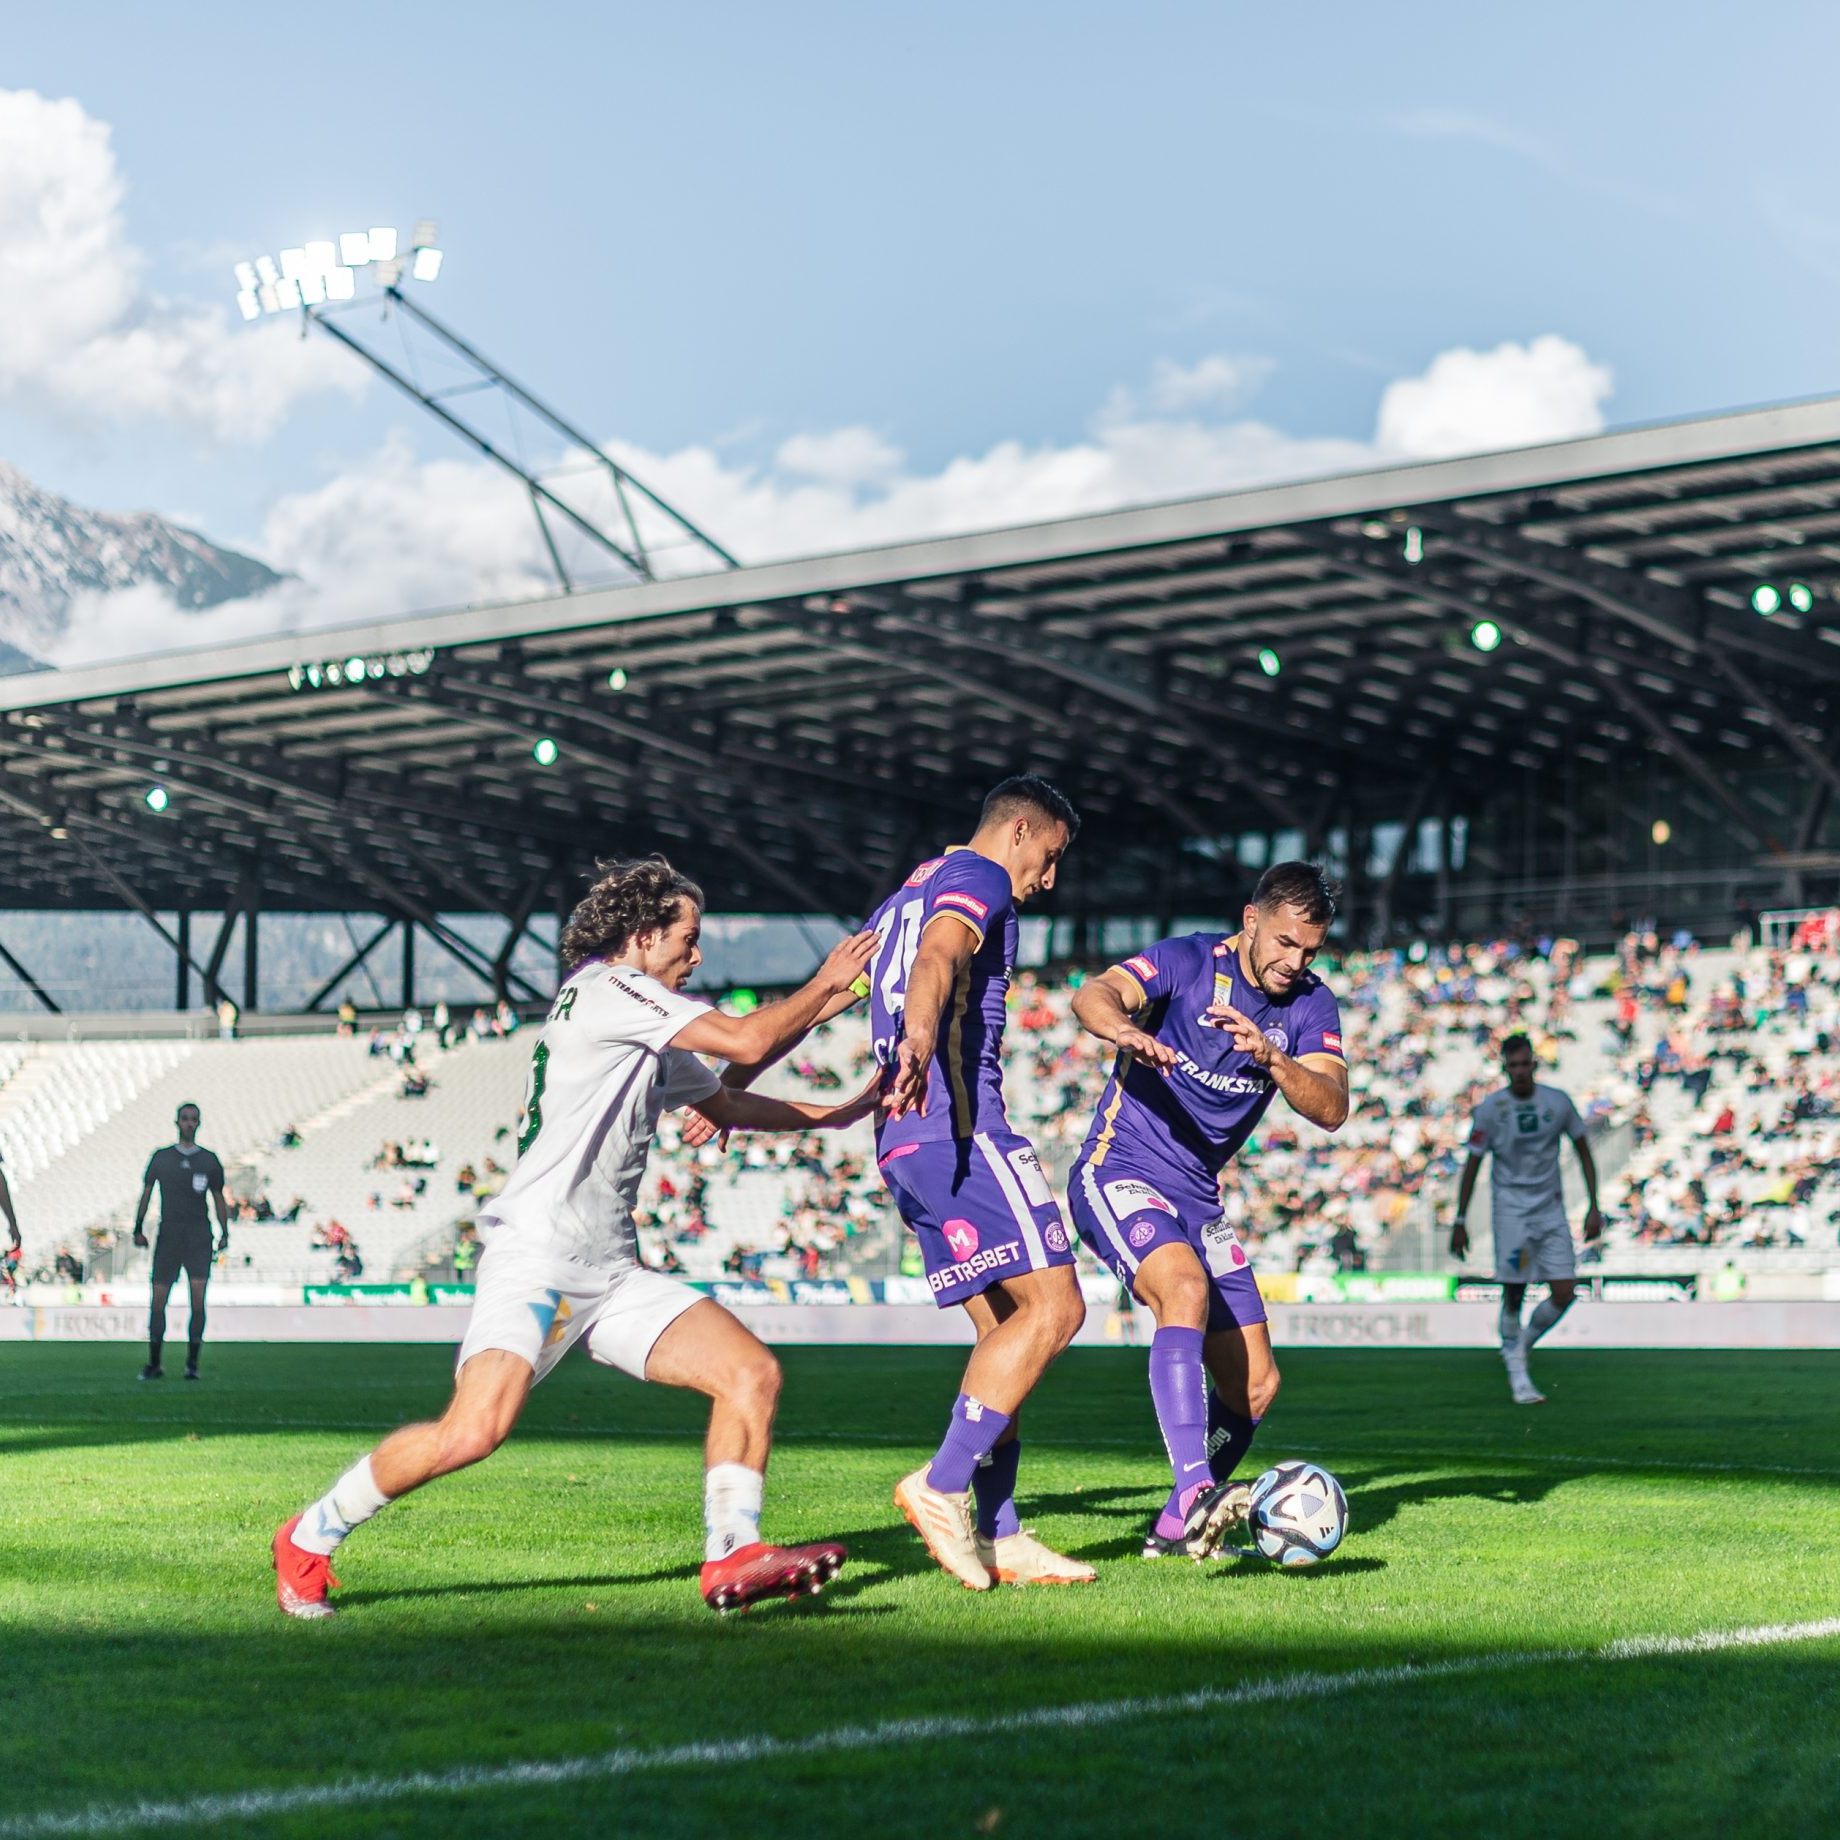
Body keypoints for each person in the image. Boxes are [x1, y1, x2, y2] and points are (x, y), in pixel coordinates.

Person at [271, 855, 881, 1620]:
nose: (697, 957)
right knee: (473, 1431)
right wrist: (830, 981)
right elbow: (750, 1041)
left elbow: (726, 1106)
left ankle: (733, 1555)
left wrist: (840, 1112)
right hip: (538, 1258)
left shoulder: (640, 1018)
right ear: (641, 933)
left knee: (748, 1373)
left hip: (609, 1269)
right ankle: (307, 1535)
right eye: (687, 939)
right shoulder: (612, 990)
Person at [1069, 861, 1349, 1558]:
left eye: (1309, 950)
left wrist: (1275, 1060)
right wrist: (1122, 1031)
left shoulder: (1312, 1006)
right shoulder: (1188, 960)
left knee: (1255, 1386)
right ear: (1251, 920)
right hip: (1121, 1165)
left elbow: (1334, 1108)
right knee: (1183, 1290)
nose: (1295, 961)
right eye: (1285, 942)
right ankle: (1197, 1488)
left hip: (1199, 1194)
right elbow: (1095, 992)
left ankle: (1173, 1529)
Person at [862, 775, 1091, 1589]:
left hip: (900, 1140)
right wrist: (921, 1041)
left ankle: (1000, 1531)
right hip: (956, 1124)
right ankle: (943, 1485)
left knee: (1007, 1333)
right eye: (1051, 857)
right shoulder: (982, 878)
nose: (1048, 880)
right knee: (1060, 1306)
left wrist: (733, 1080)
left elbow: (832, 992)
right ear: (1021, 830)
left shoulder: (904, 893)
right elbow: (940, 957)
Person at [1451, 1032, 1602, 1405]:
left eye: (1525, 1063)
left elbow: (1584, 1151)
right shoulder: (1490, 1110)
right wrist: (1460, 1219)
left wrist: (1594, 1205)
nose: (1520, 1071)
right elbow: (1472, 1163)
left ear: (1534, 1063)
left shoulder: (1558, 1102)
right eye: (1513, 1065)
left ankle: (1518, 1349)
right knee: (1515, 1289)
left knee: (1565, 1289)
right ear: (1505, 1067)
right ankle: (1519, 1376)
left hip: (1550, 1208)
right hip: (1511, 1212)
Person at [132, 1103, 229, 1382]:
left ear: (199, 1124)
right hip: (169, 1233)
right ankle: (154, 1362)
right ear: (177, 1122)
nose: (189, 1123)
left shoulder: (209, 1161)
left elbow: (218, 1198)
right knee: (158, 1299)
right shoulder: (162, 1158)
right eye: (185, 1119)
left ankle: (192, 1364)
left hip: (199, 1234)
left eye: (194, 1119)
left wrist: (225, 1231)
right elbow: (147, 1193)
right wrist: (137, 1228)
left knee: (198, 1299)